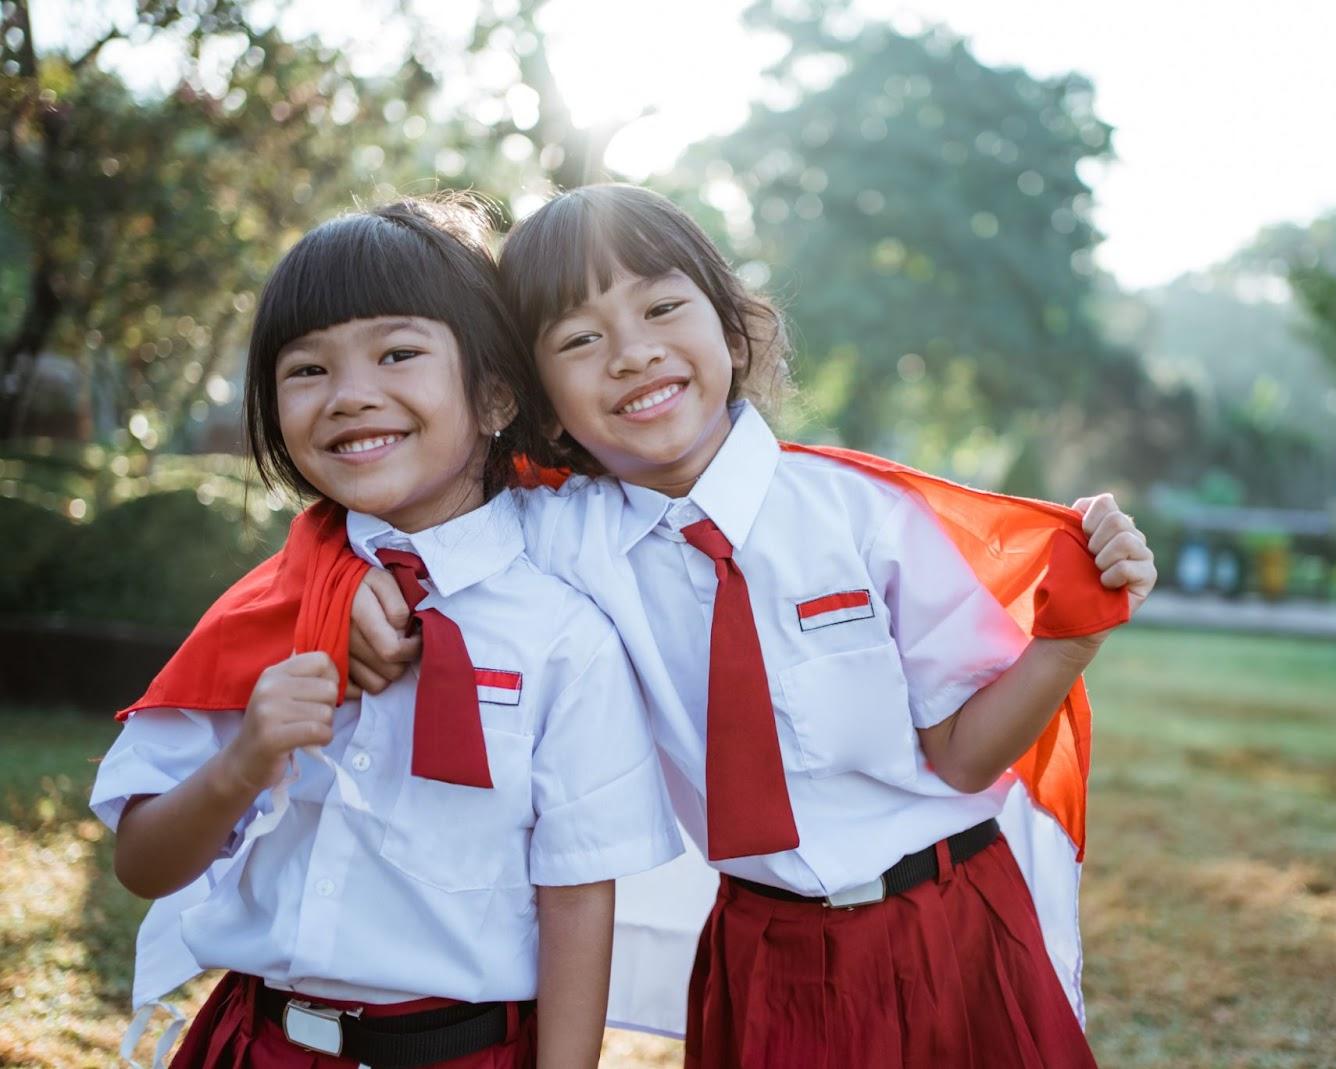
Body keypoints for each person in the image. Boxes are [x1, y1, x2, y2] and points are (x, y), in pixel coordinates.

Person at [353, 184, 1155, 1068]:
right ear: (536, 398)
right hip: (763, 953)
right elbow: (398, 516)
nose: (631, 352)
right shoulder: (556, 538)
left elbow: (963, 754)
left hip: (950, 928)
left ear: (734, 332)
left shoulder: (863, 515)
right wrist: (343, 582)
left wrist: (1070, 639)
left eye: (662, 306)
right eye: (579, 339)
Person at [90, 197, 682, 1069]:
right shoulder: (266, 611)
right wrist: (243, 760)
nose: (351, 395)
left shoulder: (564, 635)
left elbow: (578, 896)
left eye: (398, 353)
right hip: (261, 1043)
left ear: (493, 394)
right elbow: (142, 864)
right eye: (306, 369)